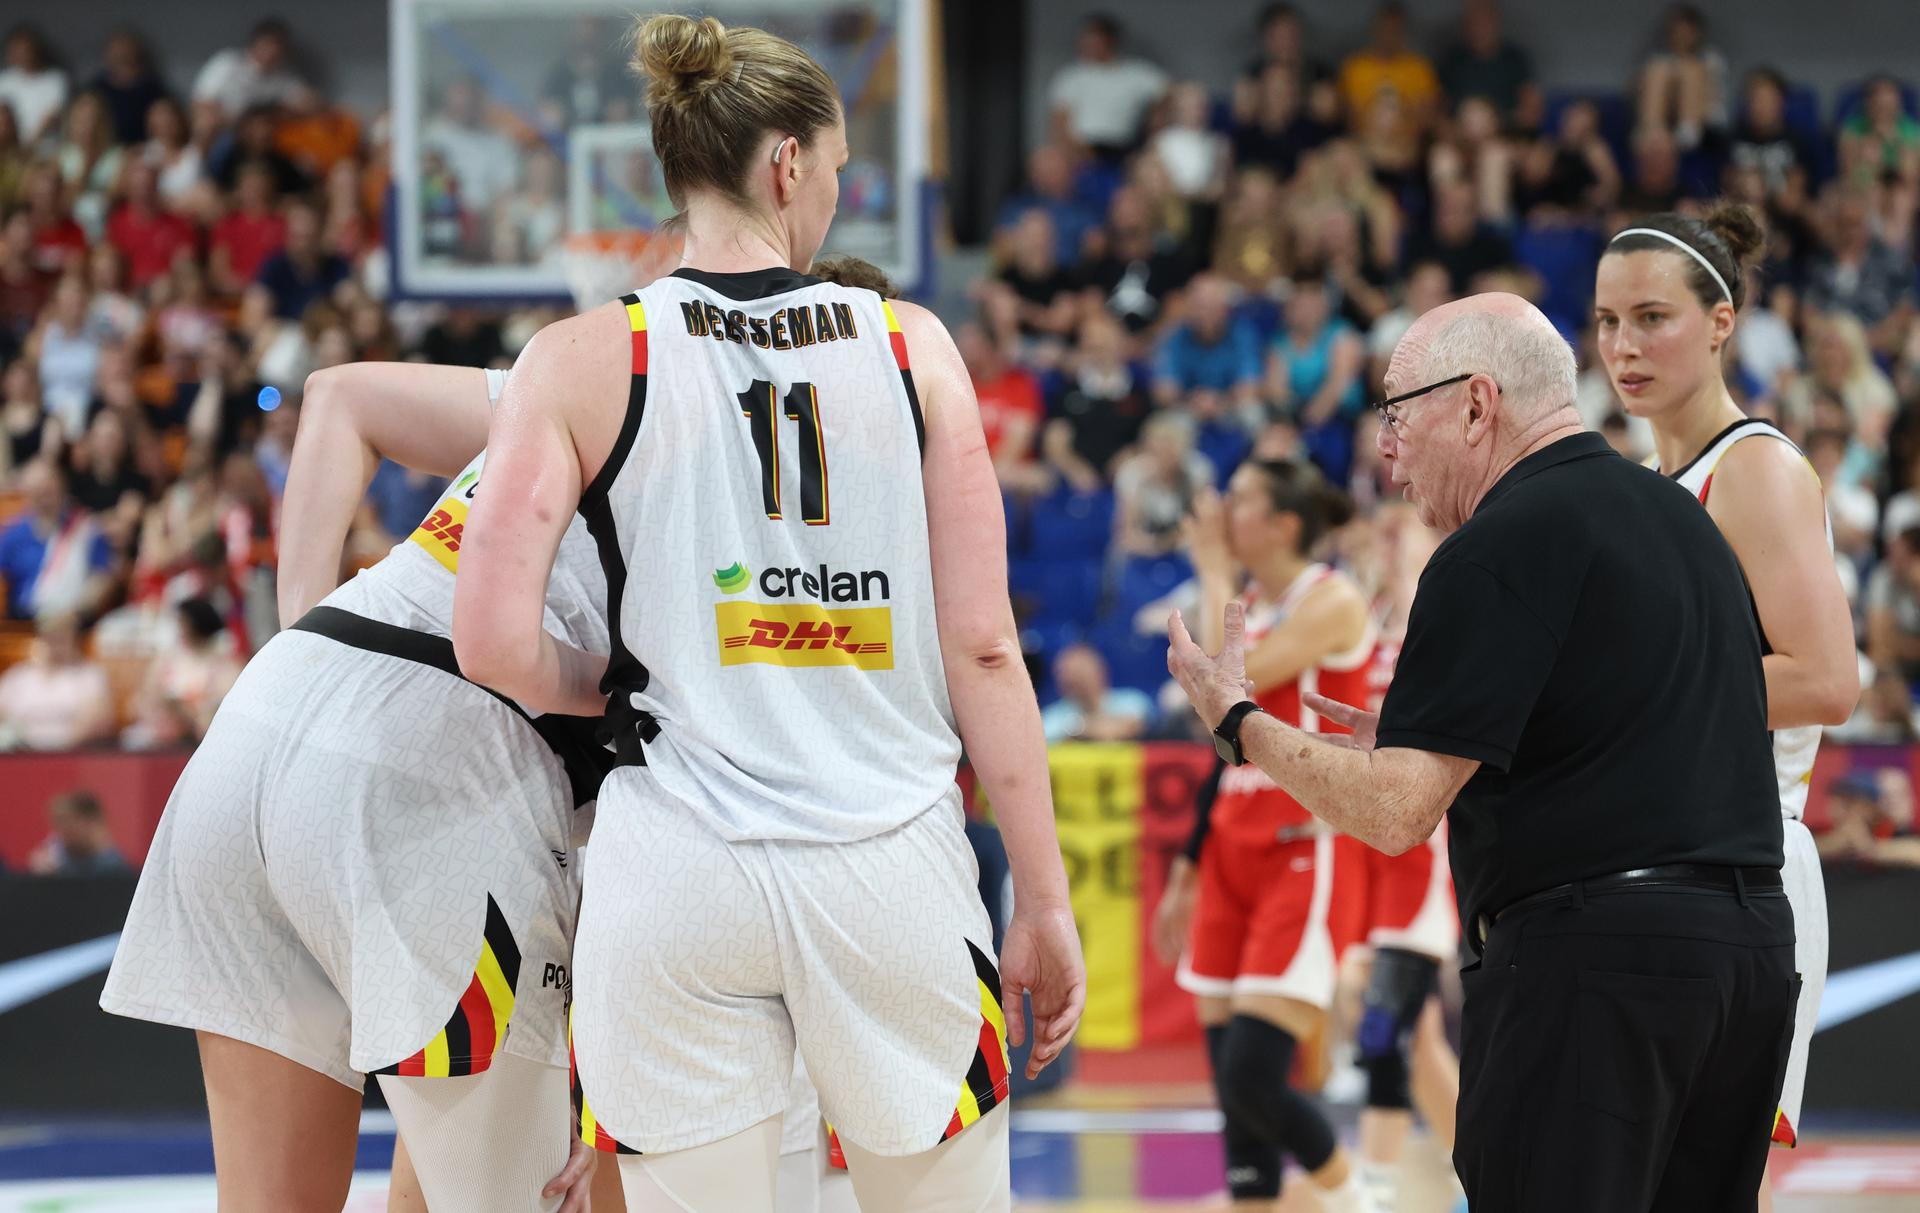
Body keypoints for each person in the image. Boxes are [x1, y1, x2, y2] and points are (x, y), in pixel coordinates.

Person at [452, 16, 1083, 1211]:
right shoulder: (912, 345)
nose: (838, 194)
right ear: (787, 164)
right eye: (837, 167)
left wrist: (608, 686)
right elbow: (986, 646)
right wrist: (1043, 898)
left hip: (675, 866)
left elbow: (488, 642)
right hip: (887, 860)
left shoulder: (580, 357)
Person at [1166, 291, 1798, 1211]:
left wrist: (1240, 723)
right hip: (1746, 957)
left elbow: (1395, 812)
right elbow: (1623, 726)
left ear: (1476, 404)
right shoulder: (1680, 519)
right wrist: (1446, 737)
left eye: (1396, 413)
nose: (1386, 450)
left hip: (1596, 966)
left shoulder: (1495, 544)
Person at [1155, 458, 1379, 1213]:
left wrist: (1211, 568)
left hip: (1301, 848)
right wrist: (1189, 867)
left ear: (1284, 525)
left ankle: (1356, 1201)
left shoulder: (1333, 598)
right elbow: (1221, 744)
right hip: (1231, 849)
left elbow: (1224, 691)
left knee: (1253, 1074)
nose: (1223, 506)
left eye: (1242, 496)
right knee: (1233, 1093)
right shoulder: (1248, 601)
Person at [0, 610, 115, 750]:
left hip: (70, 753)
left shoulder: (90, 675)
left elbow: (97, 722)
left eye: (62, 637)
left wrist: (56, 750)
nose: (56, 644)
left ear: (75, 638)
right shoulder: (18, 676)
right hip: (20, 753)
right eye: (51, 637)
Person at [1041, 643, 1154, 742]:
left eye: (1081, 673)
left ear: (1100, 672)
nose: (1074, 679)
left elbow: (1136, 725)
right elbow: (1048, 735)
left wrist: (1078, 730)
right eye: (1067, 674)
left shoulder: (1132, 699)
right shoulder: (1052, 715)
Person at [26, 790, 128, 875]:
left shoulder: (113, 865)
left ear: (90, 822)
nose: (61, 833)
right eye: (58, 825)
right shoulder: (56, 858)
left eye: (69, 824)